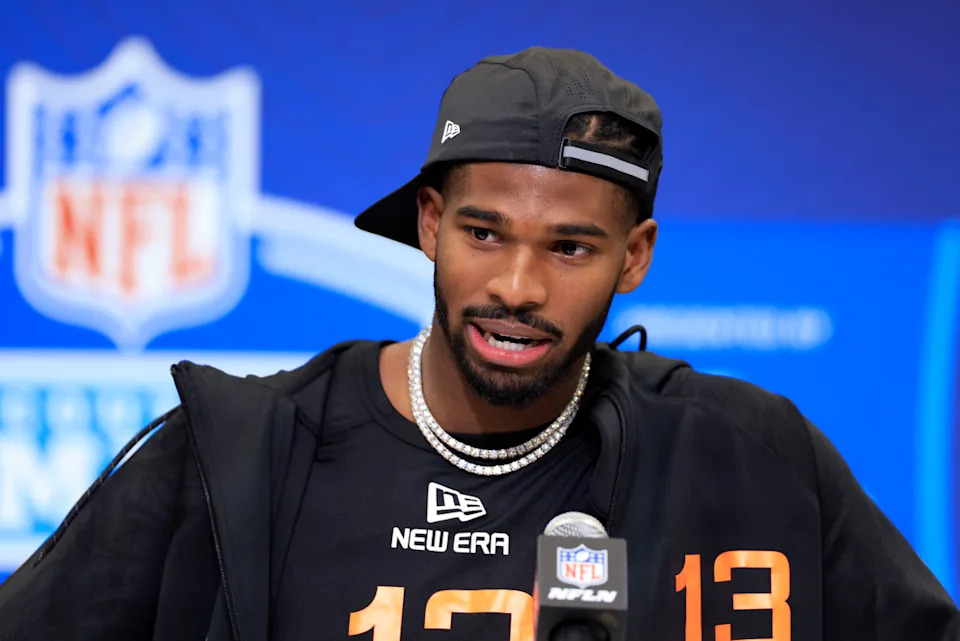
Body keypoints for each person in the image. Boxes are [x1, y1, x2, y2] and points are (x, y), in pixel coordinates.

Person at [0, 46, 957, 641]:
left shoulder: (754, 458)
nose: (517, 287)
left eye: (570, 247)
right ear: (430, 224)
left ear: (634, 258)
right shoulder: (233, 459)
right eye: (484, 233)